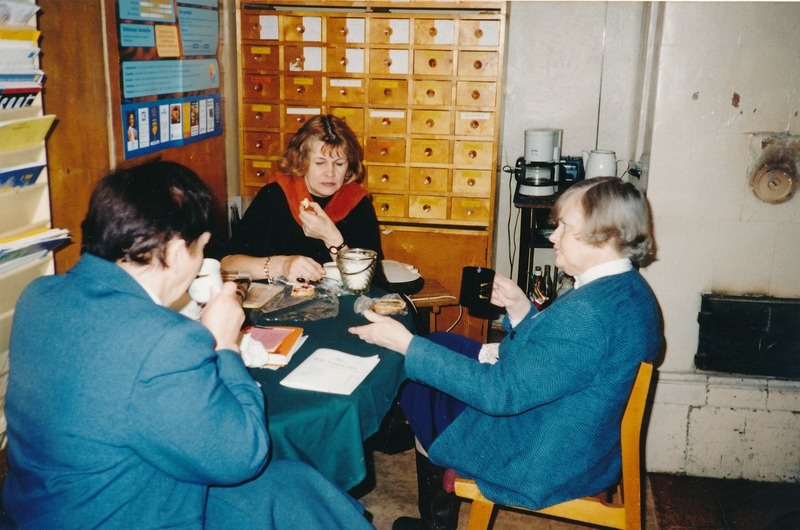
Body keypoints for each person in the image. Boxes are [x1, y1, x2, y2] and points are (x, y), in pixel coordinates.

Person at [0, 160, 374, 529]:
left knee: (297, 485)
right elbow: (243, 456)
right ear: (178, 253)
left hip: (47, 505)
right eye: (201, 250)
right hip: (126, 512)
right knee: (290, 490)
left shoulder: (39, 295)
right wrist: (225, 344)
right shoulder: (164, 340)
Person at [349, 177, 663, 530]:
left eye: (565, 227)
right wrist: (520, 309)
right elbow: (560, 361)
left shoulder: (586, 314)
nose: (553, 237)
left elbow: (502, 394)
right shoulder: (628, 289)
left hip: (540, 455)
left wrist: (407, 344)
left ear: (606, 237)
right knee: (440, 344)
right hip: (578, 434)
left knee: (419, 380)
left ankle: (435, 523)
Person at [220, 114, 384, 285]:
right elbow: (228, 265)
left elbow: (373, 284)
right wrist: (283, 265)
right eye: (320, 163)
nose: (330, 173)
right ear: (302, 161)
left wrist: (332, 238)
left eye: (339, 164)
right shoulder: (275, 195)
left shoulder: (358, 203)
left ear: (349, 166)